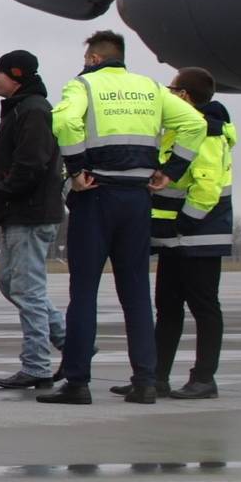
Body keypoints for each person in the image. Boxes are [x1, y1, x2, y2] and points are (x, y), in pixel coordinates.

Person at [39, 29, 204, 405]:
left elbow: (63, 123)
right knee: (135, 293)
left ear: (94, 59)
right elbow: (194, 124)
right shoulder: (150, 88)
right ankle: (146, 381)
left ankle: (78, 382)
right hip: (137, 199)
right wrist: (171, 169)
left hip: (97, 196)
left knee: (84, 293)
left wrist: (77, 169)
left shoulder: (84, 86)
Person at [150, 68, 236, 396]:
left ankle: (204, 378)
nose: (168, 95)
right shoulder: (178, 130)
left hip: (198, 236)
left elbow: (208, 186)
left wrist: (185, 221)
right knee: (168, 306)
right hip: (174, 236)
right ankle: (156, 376)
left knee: (204, 307)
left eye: (173, 89)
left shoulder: (209, 133)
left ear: (184, 96)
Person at [0, 47, 67, 388]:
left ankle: (36, 365)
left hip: (30, 213)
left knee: (28, 290)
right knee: (11, 283)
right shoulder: (19, 110)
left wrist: (8, 189)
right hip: (19, 212)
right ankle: (74, 344)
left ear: (16, 76)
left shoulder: (33, 111)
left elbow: (32, 162)